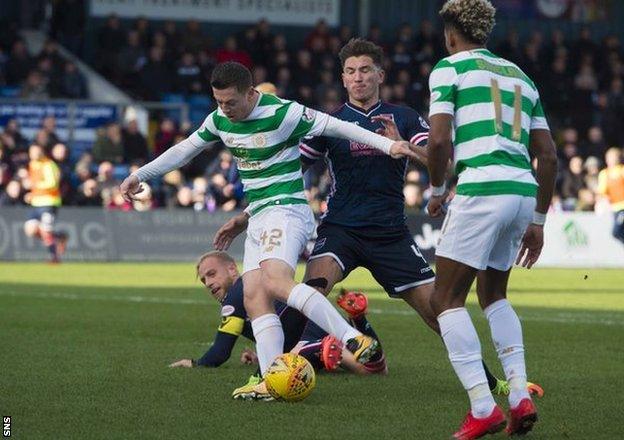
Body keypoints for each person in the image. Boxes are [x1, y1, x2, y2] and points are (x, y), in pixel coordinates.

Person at [217, 38, 543, 398]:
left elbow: (442, 161)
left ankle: (491, 380)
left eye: (366, 70)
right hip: (341, 229)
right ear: (343, 78)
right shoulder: (331, 122)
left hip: (391, 234)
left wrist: (403, 143)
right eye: (352, 72)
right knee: (308, 294)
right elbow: (285, 177)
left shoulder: (403, 117)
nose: (359, 78)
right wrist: (247, 216)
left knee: (439, 309)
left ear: (380, 75)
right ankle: (269, 373)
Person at [120, 61, 418, 400]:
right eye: (218, 101)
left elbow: (338, 127)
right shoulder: (219, 119)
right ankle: (271, 378)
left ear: (251, 93)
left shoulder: (285, 113)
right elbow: (185, 149)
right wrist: (140, 174)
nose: (224, 109)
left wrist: (388, 146)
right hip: (260, 215)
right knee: (254, 296)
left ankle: (350, 337)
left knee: (276, 282)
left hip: (287, 210)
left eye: (230, 101)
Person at [425, 1, 557, 438]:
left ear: (450, 34)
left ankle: (483, 406)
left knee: (444, 300)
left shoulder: (449, 68)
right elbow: (549, 155)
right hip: (522, 191)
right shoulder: (521, 76)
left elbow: (440, 139)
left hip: (482, 188)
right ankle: (519, 395)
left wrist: (439, 190)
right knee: (494, 294)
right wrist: (537, 218)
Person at [170, 252, 385, 382]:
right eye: (203, 280)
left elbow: (221, 351)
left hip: (305, 337)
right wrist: (259, 356)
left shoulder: (239, 291)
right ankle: (358, 319)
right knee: (377, 368)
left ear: (232, 270)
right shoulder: (253, 284)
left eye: (212, 274)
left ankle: (317, 350)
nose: (208, 283)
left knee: (365, 371)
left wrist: (196, 363)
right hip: (321, 324)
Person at [24, 144, 68, 263]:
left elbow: (52, 184)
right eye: (32, 152)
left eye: (36, 151)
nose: (33, 154)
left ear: (41, 152)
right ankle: (59, 237)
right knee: (30, 229)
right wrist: (31, 193)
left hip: (49, 202)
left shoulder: (49, 164)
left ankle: (54, 257)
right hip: (35, 203)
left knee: (45, 230)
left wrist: (34, 187)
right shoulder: (32, 165)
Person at [597, 148, 624, 244]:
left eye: (613, 157)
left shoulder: (622, 171)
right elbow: (602, 192)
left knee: (616, 232)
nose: (610, 160)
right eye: (609, 157)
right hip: (614, 208)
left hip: (622, 207)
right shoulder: (604, 174)